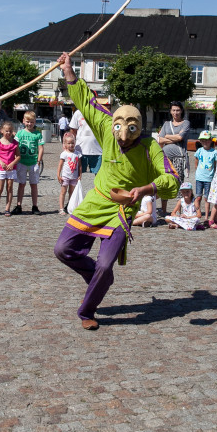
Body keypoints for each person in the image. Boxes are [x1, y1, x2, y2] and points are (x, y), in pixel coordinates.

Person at [52, 51, 179, 331]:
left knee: (106, 265)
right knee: (62, 249)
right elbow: (87, 102)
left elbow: (173, 180)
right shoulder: (106, 128)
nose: (122, 143)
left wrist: (146, 188)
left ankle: (87, 309)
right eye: (119, 137)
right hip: (96, 202)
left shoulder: (150, 148)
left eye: (128, 139)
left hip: (122, 212)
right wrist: (69, 71)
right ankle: (97, 278)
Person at [157, 101, 192, 215]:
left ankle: (179, 210)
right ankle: (163, 209)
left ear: (181, 111)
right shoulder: (167, 124)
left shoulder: (185, 123)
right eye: (173, 110)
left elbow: (180, 138)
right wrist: (171, 138)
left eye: (178, 110)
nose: (176, 112)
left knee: (178, 183)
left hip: (179, 157)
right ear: (170, 111)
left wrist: (166, 136)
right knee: (164, 182)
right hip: (165, 157)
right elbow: (160, 140)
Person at [14, 111, 44, 214]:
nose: (29, 124)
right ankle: (18, 205)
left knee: (34, 185)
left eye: (31, 122)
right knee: (21, 184)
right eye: (27, 121)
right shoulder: (20, 133)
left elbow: (40, 148)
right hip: (22, 162)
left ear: (35, 122)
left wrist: (38, 161)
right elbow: (15, 146)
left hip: (33, 162)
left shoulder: (37, 134)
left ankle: (35, 206)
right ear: (23, 121)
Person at [0, 121, 18, 216]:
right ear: (2, 131)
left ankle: (7, 208)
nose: (8, 133)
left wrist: (12, 163)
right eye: (6, 131)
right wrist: (0, 162)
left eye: (10, 131)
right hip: (1, 167)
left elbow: (18, 156)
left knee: (10, 188)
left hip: (11, 168)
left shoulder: (14, 143)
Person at [69, 106, 102, 175]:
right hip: (81, 150)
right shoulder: (78, 113)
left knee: (99, 176)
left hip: (97, 150)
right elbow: (73, 130)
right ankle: (76, 186)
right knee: (76, 175)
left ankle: (97, 186)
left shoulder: (100, 111)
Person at [193, 131, 217, 219]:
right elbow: (196, 162)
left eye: (207, 140)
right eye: (203, 140)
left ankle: (206, 216)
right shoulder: (199, 151)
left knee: (207, 198)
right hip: (199, 177)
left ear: (211, 141)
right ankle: (197, 213)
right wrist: (197, 172)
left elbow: (215, 164)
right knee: (198, 197)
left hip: (209, 179)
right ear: (200, 141)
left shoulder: (214, 152)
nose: (205, 142)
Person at [57, 131, 81, 214]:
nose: (71, 145)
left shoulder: (77, 154)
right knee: (63, 192)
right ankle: (61, 208)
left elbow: (79, 166)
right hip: (65, 176)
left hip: (74, 177)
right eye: (69, 143)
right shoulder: (64, 154)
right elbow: (60, 165)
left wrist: (80, 175)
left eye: (72, 143)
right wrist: (58, 175)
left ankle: (70, 207)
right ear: (65, 144)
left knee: (72, 192)